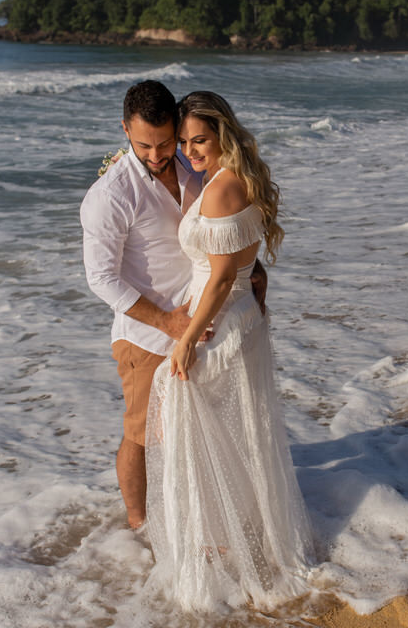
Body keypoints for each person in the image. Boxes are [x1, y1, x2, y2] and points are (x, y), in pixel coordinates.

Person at [144, 91, 313, 612]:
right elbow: (241, 263)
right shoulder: (237, 178)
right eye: (186, 141)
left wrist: (187, 339)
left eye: (200, 139)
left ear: (222, 134)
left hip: (219, 321)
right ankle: (239, 530)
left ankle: (214, 543)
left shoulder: (220, 191)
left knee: (193, 422)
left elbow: (219, 277)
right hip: (239, 318)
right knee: (232, 427)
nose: (191, 150)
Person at [80, 80, 205, 530]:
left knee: (194, 431)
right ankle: (138, 524)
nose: (155, 155)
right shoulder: (110, 194)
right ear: (124, 130)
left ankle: (188, 516)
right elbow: (101, 278)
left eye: (165, 142)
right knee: (141, 435)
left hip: (200, 325)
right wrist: (168, 321)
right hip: (147, 336)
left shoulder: (194, 164)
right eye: (142, 145)